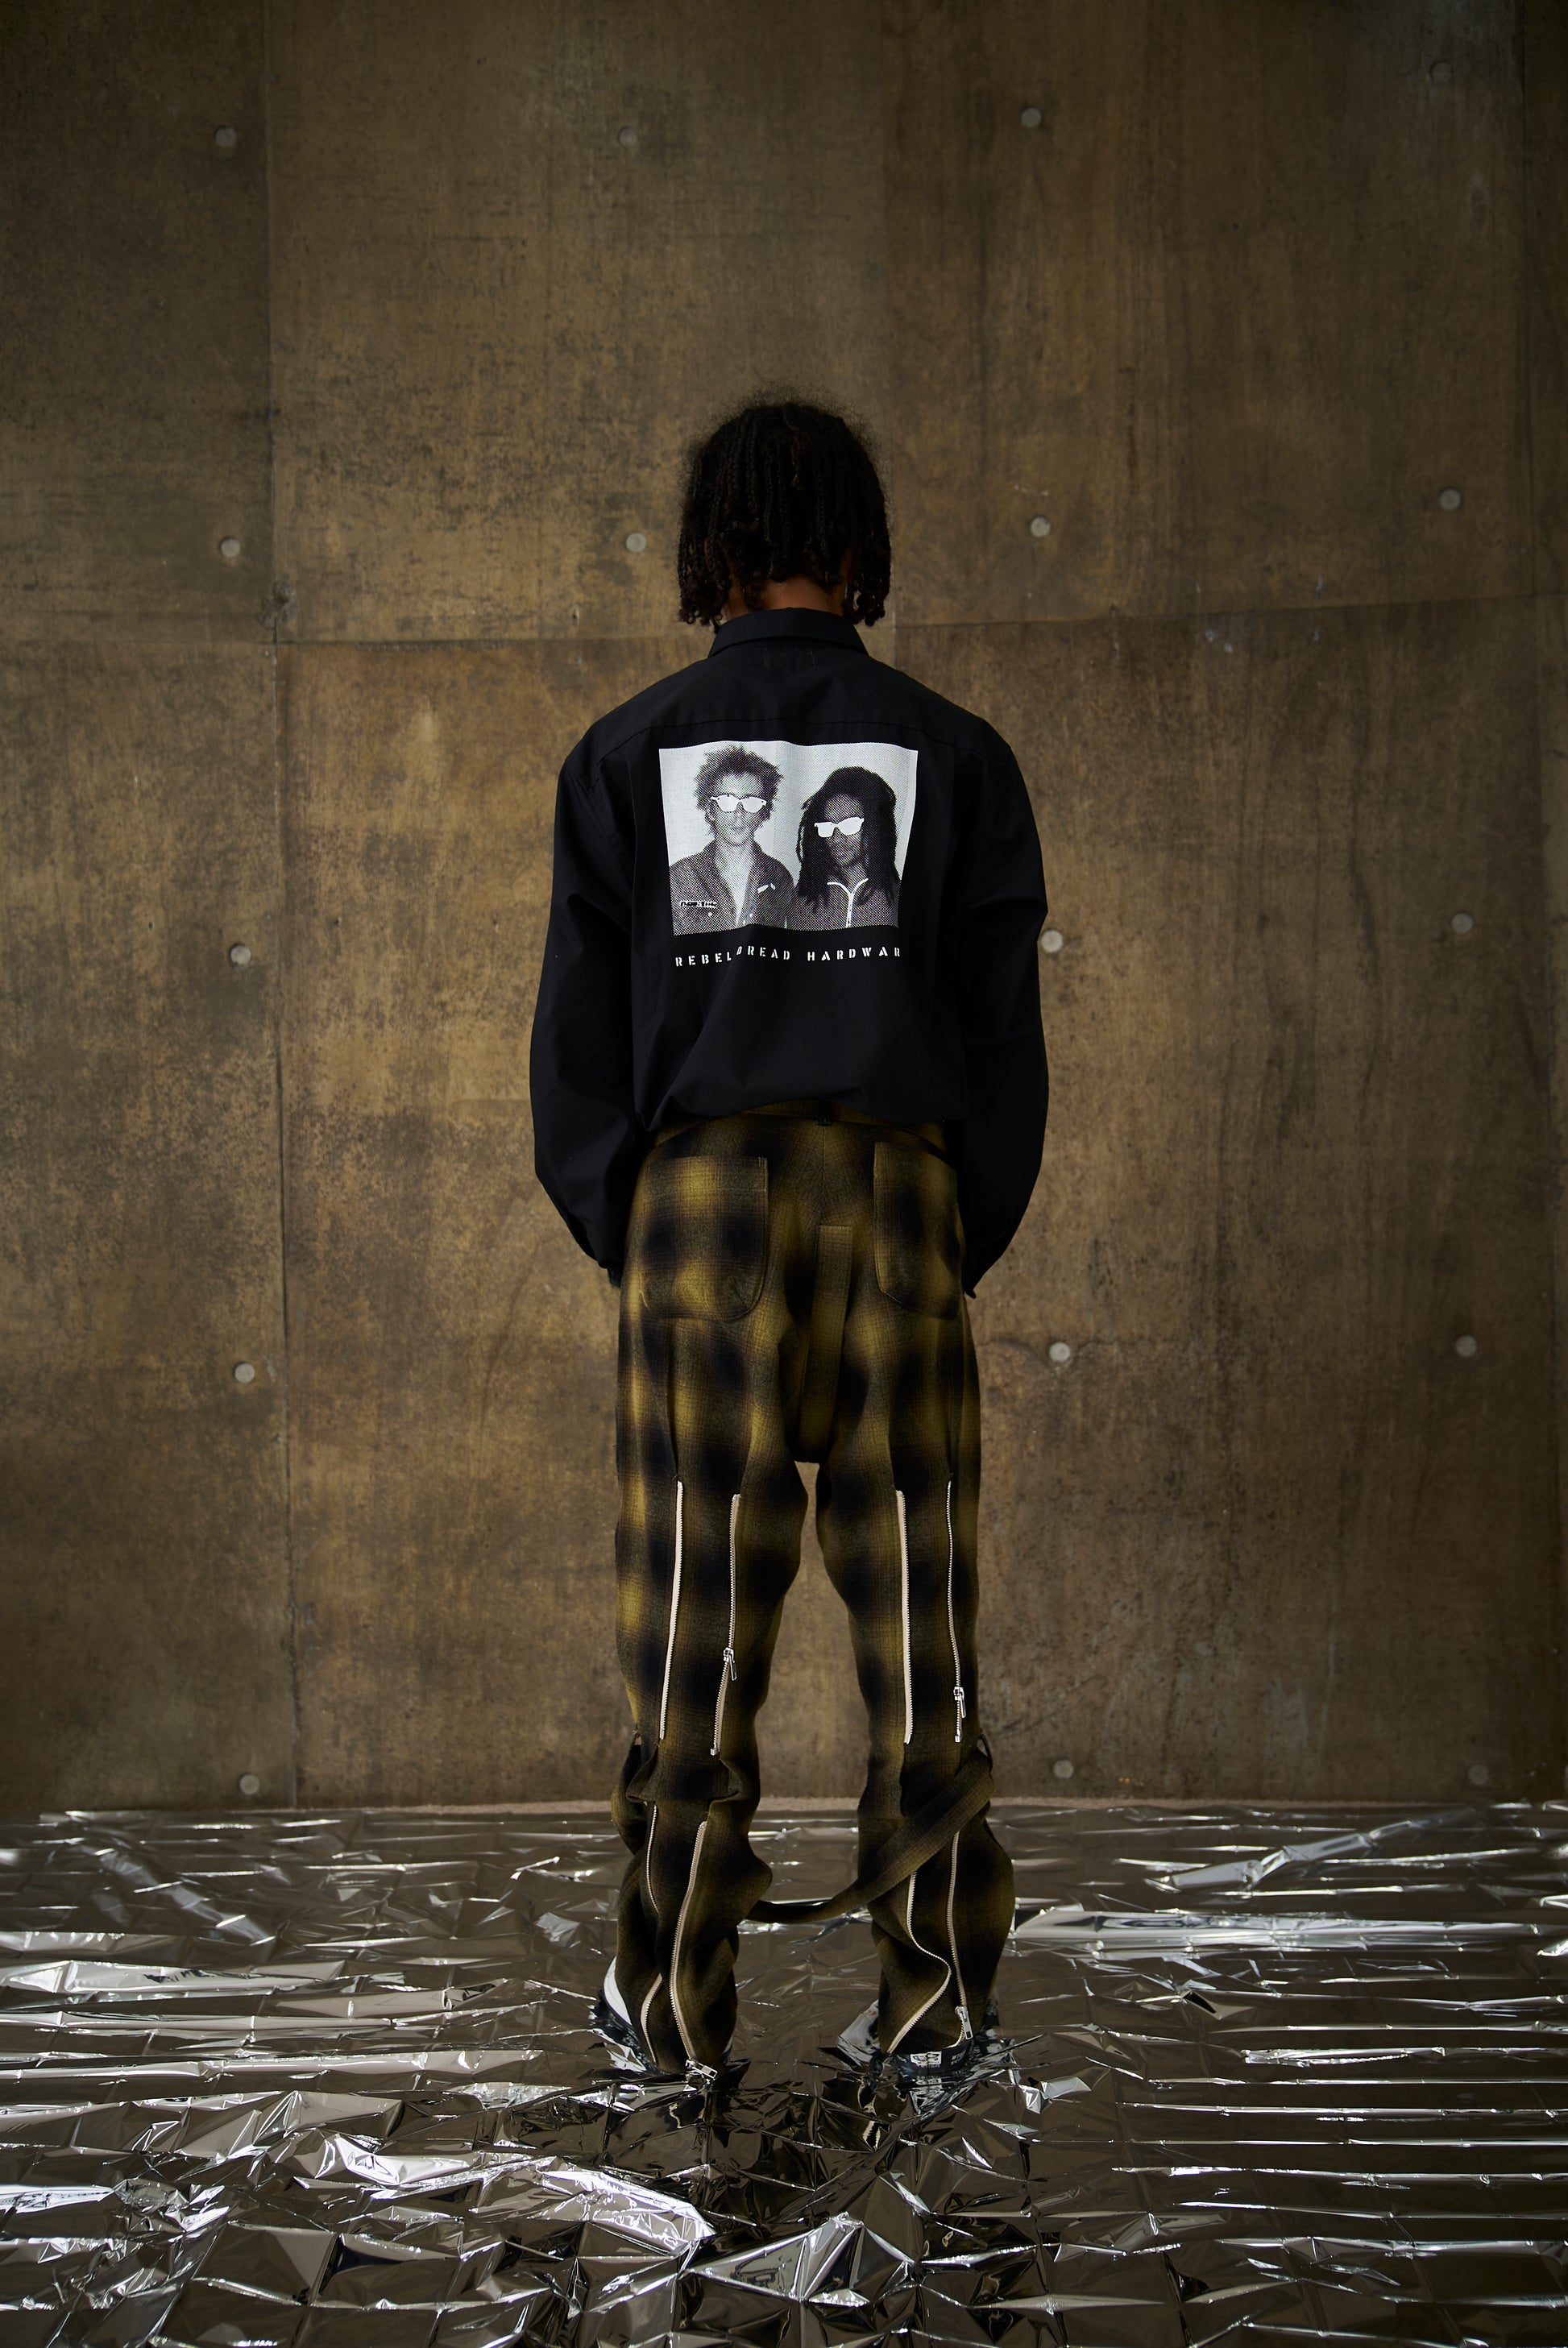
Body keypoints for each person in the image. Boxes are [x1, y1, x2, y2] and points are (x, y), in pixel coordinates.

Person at [529, 398, 1048, 2093]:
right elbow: (1003, 1043)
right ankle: (937, 2005)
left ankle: (671, 2006)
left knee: (692, 1626)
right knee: (920, 1624)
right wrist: (949, 1228)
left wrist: (638, 1229)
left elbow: (575, 1045)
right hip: (900, 1199)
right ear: (854, 541)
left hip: (698, 1215)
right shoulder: (958, 751)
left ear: (717, 544)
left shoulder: (624, 750)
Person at [669, 745, 794, 935]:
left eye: (751, 802)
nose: (739, 814)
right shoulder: (679, 878)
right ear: (710, 810)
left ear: (763, 813)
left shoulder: (779, 877)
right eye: (727, 801)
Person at [790, 766, 900, 930]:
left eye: (849, 825)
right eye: (828, 826)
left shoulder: (897, 896)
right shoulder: (806, 897)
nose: (836, 838)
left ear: (874, 825)